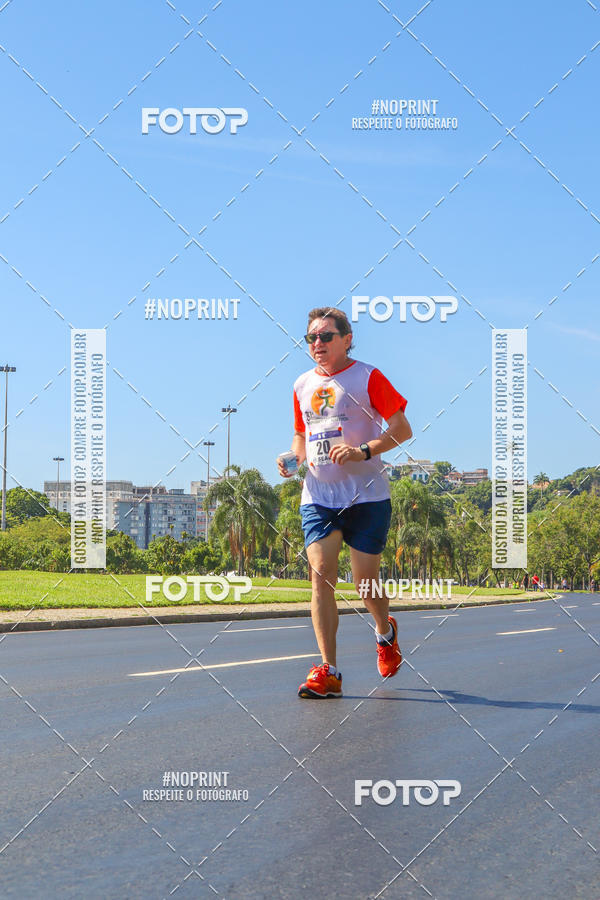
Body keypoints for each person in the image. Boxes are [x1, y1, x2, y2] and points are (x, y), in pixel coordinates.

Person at [277, 307, 412, 698]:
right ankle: (329, 670)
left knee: (365, 585)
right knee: (320, 575)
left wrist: (363, 451)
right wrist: (291, 459)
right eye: (311, 338)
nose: (317, 344)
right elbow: (301, 438)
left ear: (347, 339)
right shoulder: (301, 384)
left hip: (367, 495)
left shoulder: (367, 376)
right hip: (319, 496)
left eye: (326, 336)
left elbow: (402, 428)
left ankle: (385, 632)